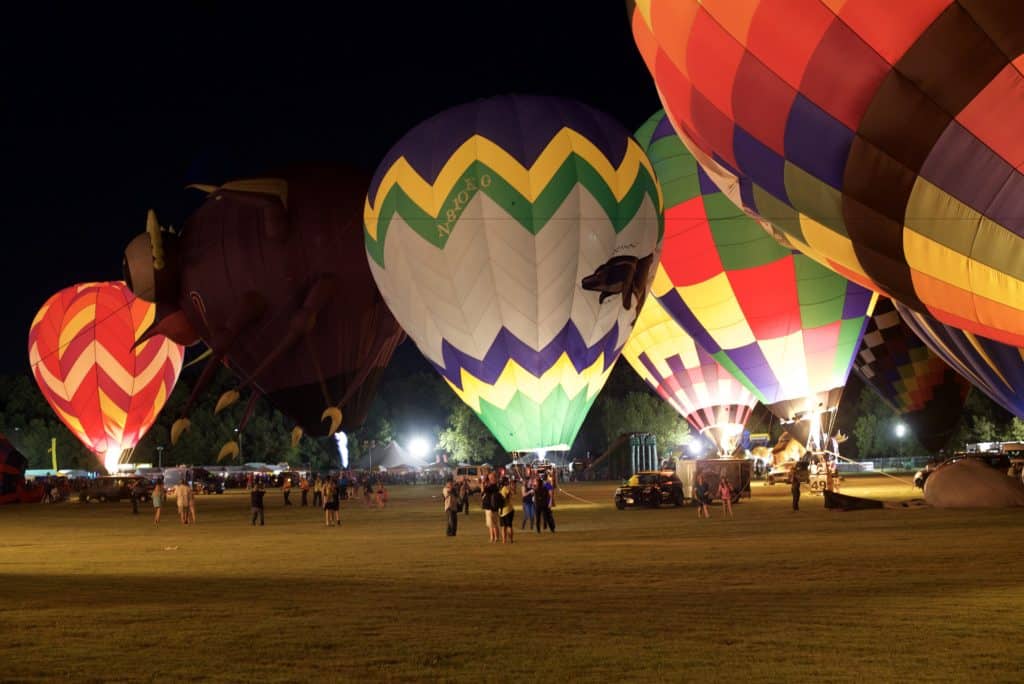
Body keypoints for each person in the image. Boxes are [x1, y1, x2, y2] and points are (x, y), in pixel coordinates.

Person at [481, 472, 500, 543]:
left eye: (491, 477)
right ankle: (492, 537)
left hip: (492, 507)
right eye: (489, 478)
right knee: (490, 524)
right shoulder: (491, 485)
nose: (490, 479)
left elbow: (484, 490)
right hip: (488, 507)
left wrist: (483, 483)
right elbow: (483, 493)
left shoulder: (494, 486)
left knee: (494, 524)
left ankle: (496, 538)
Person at [499, 476, 515, 544]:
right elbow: (512, 493)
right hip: (509, 509)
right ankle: (511, 540)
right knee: (509, 526)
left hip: (502, 510)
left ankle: (504, 541)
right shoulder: (506, 488)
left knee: (503, 527)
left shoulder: (500, 489)